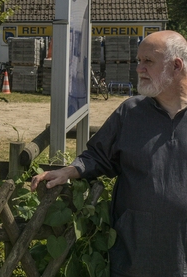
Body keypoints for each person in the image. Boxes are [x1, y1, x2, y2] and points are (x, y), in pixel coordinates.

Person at [31, 30, 187, 277]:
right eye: (138, 61)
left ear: (176, 66)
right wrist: (69, 171)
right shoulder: (130, 113)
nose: (139, 68)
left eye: (148, 61)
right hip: (136, 251)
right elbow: (98, 155)